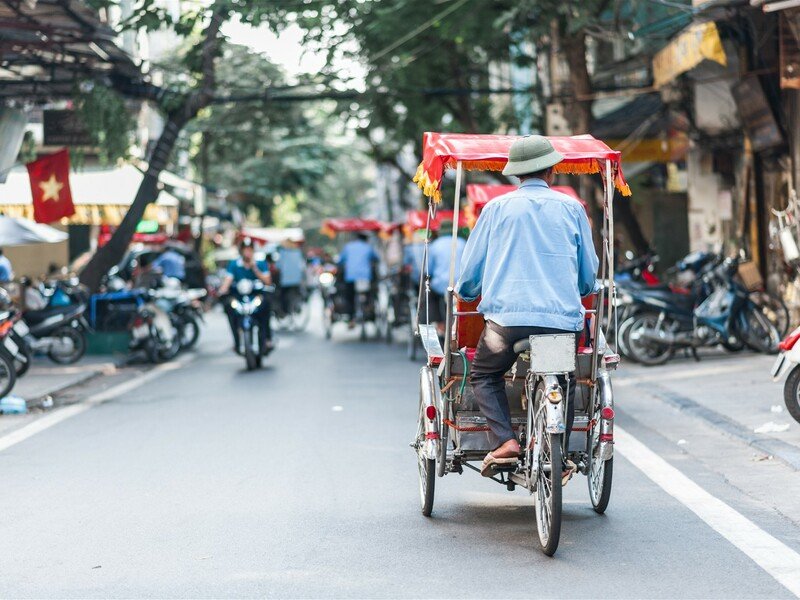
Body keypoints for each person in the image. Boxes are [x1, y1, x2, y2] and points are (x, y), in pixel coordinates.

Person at [456, 135, 599, 481]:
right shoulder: (572, 209)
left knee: (485, 375)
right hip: (560, 322)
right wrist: (579, 289)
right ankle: (558, 454)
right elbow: (588, 278)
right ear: (551, 170)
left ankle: (505, 441)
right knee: (563, 379)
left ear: (517, 174)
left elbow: (469, 278)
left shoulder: (495, 209)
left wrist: (469, 291)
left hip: (507, 324)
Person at [219, 238, 274, 354]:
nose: (247, 252)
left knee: (266, 306)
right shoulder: (234, 264)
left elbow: (268, 282)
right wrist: (222, 290)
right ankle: (237, 341)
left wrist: (255, 268)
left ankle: (267, 338)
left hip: (256, 295)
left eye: (250, 250)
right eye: (245, 250)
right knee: (229, 307)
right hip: (239, 297)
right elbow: (227, 281)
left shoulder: (260, 263)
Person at [426, 221, 466, 335]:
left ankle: (439, 323)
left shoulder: (435, 245)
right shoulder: (463, 243)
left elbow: (428, 269)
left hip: (440, 285)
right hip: (460, 285)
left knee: (430, 295)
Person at [337, 232, 379, 324]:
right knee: (368, 294)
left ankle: (351, 318)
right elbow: (376, 258)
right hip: (365, 277)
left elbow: (340, 261)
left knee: (350, 296)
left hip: (350, 277)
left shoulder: (348, 247)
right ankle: (368, 308)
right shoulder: (368, 247)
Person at [276, 239, 306, 315]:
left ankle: (284, 311)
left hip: (285, 280)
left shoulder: (283, 252)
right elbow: (302, 266)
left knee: (281, 295)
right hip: (296, 280)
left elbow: (278, 266)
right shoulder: (298, 252)